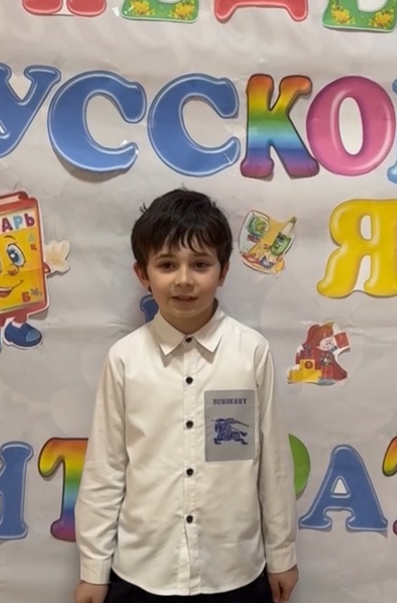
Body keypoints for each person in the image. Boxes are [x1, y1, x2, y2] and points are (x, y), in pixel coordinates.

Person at [74, 189, 299, 603]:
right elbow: (105, 470)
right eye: (166, 265)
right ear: (142, 274)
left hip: (234, 572)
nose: (183, 279)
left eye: (200, 264)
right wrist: (93, 569)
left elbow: (274, 465)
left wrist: (281, 554)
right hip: (143, 572)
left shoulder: (251, 352)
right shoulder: (124, 359)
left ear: (223, 270)